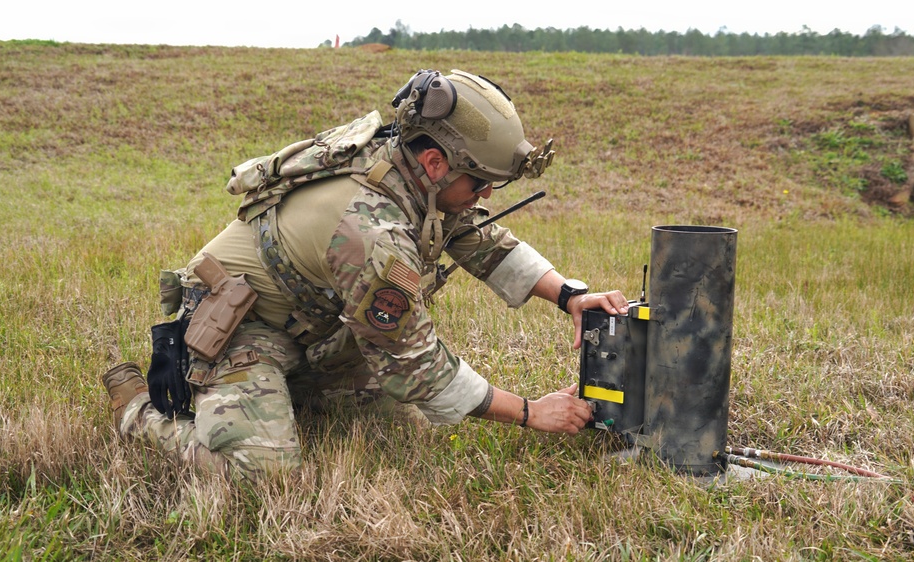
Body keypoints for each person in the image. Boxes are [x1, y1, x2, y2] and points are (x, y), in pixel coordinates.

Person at [102, 68, 629, 479]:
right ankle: (139, 411)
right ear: (437, 164)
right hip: (241, 330)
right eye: (482, 181)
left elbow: (472, 232)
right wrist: (531, 412)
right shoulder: (372, 234)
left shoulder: (403, 163)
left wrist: (569, 295)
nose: (486, 194)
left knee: (390, 430)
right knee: (262, 477)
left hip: (314, 328)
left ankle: (296, 391)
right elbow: (417, 366)